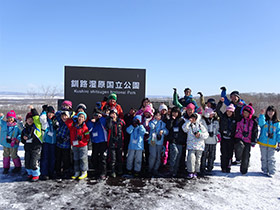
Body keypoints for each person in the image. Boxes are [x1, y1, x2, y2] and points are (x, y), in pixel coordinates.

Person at [182, 113, 209, 179]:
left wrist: (200, 135)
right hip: (191, 145)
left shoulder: (201, 126)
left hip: (199, 146)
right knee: (191, 159)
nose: (193, 119)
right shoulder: (189, 125)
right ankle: (190, 172)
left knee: (198, 160)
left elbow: (206, 135)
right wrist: (188, 122)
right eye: (192, 117)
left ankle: (196, 172)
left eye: (194, 118)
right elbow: (184, 129)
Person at [21, 106, 43, 182]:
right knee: (27, 162)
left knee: (34, 162)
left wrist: (33, 109)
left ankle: (36, 174)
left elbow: (37, 118)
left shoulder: (37, 127)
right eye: (28, 119)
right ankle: (30, 173)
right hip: (27, 148)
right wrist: (23, 139)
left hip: (36, 148)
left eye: (31, 119)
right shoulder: (25, 129)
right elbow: (22, 140)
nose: (30, 121)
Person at [234, 104, 258, 175]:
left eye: (247, 113)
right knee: (239, 147)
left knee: (246, 155)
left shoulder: (253, 121)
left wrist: (254, 140)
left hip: (248, 140)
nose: (245, 114)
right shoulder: (240, 119)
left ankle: (244, 170)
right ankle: (238, 158)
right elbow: (238, 128)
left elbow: (255, 131)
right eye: (244, 112)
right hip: (240, 138)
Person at [65, 111, 90, 180]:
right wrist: (72, 118)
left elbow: (87, 137)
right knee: (76, 159)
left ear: (84, 119)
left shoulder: (85, 128)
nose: (80, 118)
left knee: (83, 159)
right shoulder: (73, 126)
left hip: (82, 145)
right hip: (75, 145)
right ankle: (77, 171)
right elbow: (67, 123)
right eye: (79, 116)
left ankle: (84, 171)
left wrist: (82, 139)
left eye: (82, 117)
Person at [257, 106, 280, 177]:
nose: (270, 113)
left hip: (272, 143)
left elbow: (278, 133)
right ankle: (264, 170)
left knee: (271, 158)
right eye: (269, 111)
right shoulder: (264, 120)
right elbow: (260, 124)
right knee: (264, 157)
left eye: (272, 111)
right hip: (263, 142)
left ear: (274, 112)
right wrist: (261, 115)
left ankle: (271, 171)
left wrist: (279, 141)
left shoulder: (277, 123)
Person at [216, 98, 237, 173]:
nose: (229, 113)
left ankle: (228, 167)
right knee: (224, 153)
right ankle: (223, 167)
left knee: (230, 154)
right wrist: (220, 102)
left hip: (231, 139)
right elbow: (217, 110)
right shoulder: (223, 117)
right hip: (224, 138)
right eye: (227, 111)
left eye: (230, 112)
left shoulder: (235, 119)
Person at [166, 107, 187, 177]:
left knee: (178, 157)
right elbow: (169, 127)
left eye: (176, 112)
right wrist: (172, 120)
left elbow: (184, 132)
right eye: (173, 112)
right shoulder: (170, 120)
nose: (175, 114)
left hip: (180, 141)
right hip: (173, 140)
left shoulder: (182, 121)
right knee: (174, 154)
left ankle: (175, 171)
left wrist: (184, 141)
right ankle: (171, 170)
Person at [148, 110, 168, 177]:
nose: (158, 117)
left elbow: (167, 131)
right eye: (156, 115)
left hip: (159, 141)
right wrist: (155, 122)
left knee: (158, 156)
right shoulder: (151, 122)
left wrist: (163, 131)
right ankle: (150, 169)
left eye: (159, 115)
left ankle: (155, 169)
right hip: (153, 140)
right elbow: (151, 127)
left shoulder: (163, 124)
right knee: (152, 156)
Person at [106, 110, 126, 177]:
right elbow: (108, 127)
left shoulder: (120, 121)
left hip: (119, 141)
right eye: (112, 114)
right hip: (112, 142)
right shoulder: (109, 121)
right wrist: (110, 119)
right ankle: (112, 171)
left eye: (114, 114)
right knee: (112, 158)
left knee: (120, 157)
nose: (113, 115)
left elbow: (124, 126)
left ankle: (120, 170)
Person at [40, 106, 57, 180]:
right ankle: (44, 173)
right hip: (46, 142)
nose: (50, 114)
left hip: (54, 142)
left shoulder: (55, 120)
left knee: (52, 158)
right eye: (49, 113)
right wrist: (44, 111)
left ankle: (51, 172)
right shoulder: (45, 121)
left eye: (52, 113)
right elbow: (42, 118)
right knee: (45, 158)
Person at [201, 107, 220, 175]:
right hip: (205, 141)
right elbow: (201, 129)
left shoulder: (215, 121)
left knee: (212, 155)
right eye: (211, 114)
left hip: (213, 141)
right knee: (204, 155)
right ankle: (202, 167)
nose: (212, 115)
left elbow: (217, 129)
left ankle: (210, 167)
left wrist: (218, 135)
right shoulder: (203, 121)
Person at [55, 110, 71, 179]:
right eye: (63, 116)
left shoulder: (70, 124)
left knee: (66, 159)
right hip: (58, 145)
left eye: (65, 116)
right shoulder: (60, 123)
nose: (64, 117)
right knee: (58, 158)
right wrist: (63, 109)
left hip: (66, 145)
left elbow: (70, 134)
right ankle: (58, 171)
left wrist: (65, 139)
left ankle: (66, 171)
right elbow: (57, 114)